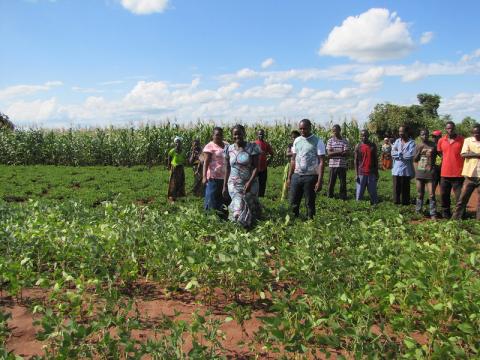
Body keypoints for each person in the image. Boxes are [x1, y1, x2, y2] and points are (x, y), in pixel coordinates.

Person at [223, 125, 261, 228]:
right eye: (235, 134)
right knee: (238, 203)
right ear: (232, 135)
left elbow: (256, 168)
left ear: (244, 134)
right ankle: (237, 226)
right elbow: (227, 168)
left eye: (239, 133)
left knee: (249, 205)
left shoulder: (252, 147)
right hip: (234, 183)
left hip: (250, 182)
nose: (237, 136)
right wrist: (225, 185)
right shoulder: (229, 149)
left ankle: (249, 226)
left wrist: (249, 182)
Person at [287, 119, 325, 219]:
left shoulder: (318, 141)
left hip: (311, 176)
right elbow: (293, 160)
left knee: (309, 203)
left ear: (310, 128)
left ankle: (310, 223)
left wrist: (319, 181)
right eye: (300, 129)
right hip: (297, 175)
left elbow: (321, 162)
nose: (302, 131)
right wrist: (289, 177)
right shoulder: (297, 140)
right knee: (293, 202)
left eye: (305, 128)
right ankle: (294, 223)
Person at [437, 121, 464, 218]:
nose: (450, 130)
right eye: (448, 128)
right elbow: (440, 153)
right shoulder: (441, 140)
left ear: (454, 128)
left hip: (458, 174)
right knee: (444, 196)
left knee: (459, 197)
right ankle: (446, 215)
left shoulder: (461, 140)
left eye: (452, 128)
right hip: (444, 173)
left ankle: (459, 216)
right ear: (445, 129)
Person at [453, 124, 480, 220]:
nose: (476, 135)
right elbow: (463, 154)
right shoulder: (468, 140)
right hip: (470, 175)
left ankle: (478, 222)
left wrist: (472, 154)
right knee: (462, 199)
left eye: (478, 133)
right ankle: (455, 219)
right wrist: (477, 154)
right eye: (474, 133)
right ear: (472, 133)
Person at [203, 127, 228, 218]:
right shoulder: (209, 146)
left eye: (220, 134)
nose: (219, 136)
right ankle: (209, 217)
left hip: (225, 177)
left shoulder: (226, 145)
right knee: (211, 197)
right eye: (217, 134)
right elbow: (206, 162)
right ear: (213, 135)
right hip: (213, 177)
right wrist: (204, 176)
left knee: (223, 197)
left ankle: (222, 217)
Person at [413, 129, 437, 219]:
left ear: (428, 135)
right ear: (420, 136)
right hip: (420, 172)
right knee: (420, 194)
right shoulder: (418, 145)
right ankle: (418, 211)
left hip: (430, 172)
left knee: (431, 194)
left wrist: (435, 167)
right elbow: (414, 159)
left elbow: (440, 157)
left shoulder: (433, 145)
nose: (425, 136)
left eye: (426, 134)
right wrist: (420, 152)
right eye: (423, 135)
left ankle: (433, 213)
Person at [391, 126, 416, 205]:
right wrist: (400, 154)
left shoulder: (411, 143)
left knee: (405, 188)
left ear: (407, 132)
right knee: (396, 188)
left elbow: (410, 155)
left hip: (406, 170)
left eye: (402, 132)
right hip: (396, 169)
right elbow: (392, 153)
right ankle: (396, 203)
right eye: (399, 132)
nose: (401, 133)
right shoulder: (397, 141)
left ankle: (405, 204)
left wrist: (398, 154)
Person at [354, 129, 379, 205]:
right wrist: (356, 174)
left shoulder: (372, 146)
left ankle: (375, 207)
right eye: (362, 136)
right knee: (359, 193)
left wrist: (376, 172)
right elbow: (355, 160)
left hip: (371, 172)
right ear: (360, 136)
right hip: (361, 173)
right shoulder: (358, 146)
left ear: (368, 136)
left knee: (373, 193)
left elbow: (375, 159)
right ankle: (358, 208)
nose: (364, 137)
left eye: (365, 135)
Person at [326, 124, 349, 200]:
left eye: (336, 130)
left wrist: (334, 152)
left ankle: (343, 197)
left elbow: (346, 153)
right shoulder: (330, 141)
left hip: (342, 165)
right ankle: (330, 196)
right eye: (333, 131)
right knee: (331, 182)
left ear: (340, 130)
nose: (335, 132)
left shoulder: (345, 140)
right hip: (332, 165)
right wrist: (340, 151)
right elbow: (329, 154)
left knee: (343, 182)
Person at [254, 129, 274, 197]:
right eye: (259, 134)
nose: (261, 135)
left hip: (263, 168)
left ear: (264, 135)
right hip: (255, 168)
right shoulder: (254, 144)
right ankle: (255, 197)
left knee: (262, 184)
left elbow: (272, 154)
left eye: (262, 134)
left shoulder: (266, 144)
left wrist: (269, 161)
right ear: (257, 135)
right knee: (255, 184)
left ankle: (261, 198)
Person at [281, 130, 300, 200]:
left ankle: (293, 197)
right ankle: (284, 198)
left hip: (298, 166)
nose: (294, 139)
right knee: (287, 182)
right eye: (292, 137)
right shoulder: (290, 145)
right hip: (290, 165)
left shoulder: (301, 144)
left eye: (295, 137)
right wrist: (295, 153)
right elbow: (287, 154)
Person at [167, 136, 186, 202]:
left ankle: (180, 195)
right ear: (175, 143)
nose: (178, 144)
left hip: (180, 168)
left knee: (181, 182)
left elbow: (184, 159)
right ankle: (172, 196)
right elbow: (169, 159)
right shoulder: (172, 151)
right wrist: (169, 167)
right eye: (176, 142)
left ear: (181, 143)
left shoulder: (183, 151)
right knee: (173, 182)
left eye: (179, 142)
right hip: (174, 168)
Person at [431, 130, 443, 196]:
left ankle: (443, 202)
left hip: (442, 169)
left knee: (443, 187)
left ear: (440, 137)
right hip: (434, 169)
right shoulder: (431, 145)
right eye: (432, 136)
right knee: (433, 185)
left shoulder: (443, 144)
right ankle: (431, 200)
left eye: (434, 136)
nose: (433, 138)